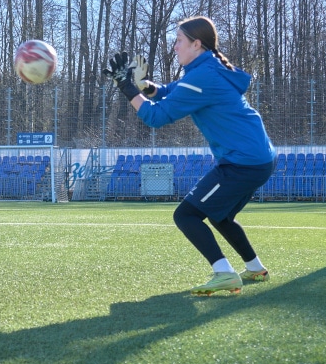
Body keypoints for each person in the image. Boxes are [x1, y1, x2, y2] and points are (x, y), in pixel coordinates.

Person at [103, 16, 275, 295]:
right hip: (255, 157)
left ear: (196, 43)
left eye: (179, 41)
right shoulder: (207, 68)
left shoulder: (202, 76)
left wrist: (127, 87)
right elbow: (171, 91)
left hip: (242, 162)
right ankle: (255, 267)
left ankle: (225, 273)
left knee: (186, 215)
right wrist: (144, 85)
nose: (174, 47)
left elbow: (155, 116)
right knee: (221, 216)